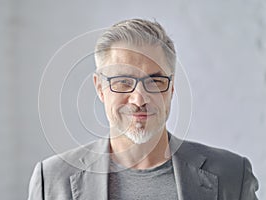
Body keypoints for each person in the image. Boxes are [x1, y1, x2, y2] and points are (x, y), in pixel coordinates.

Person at [28, 19, 259, 200]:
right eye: (123, 82)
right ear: (100, 88)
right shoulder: (51, 179)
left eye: (155, 81)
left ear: (171, 88)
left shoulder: (232, 175)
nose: (139, 99)